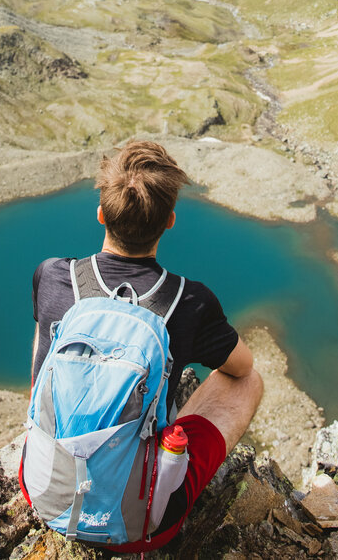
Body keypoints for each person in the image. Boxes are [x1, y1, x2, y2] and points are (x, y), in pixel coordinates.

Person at [28, 140, 263, 552]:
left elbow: (39, 374)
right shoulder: (190, 302)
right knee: (250, 382)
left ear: (101, 214)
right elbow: (241, 367)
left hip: (44, 492)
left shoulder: (52, 276)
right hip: (140, 525)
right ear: (169, 221)